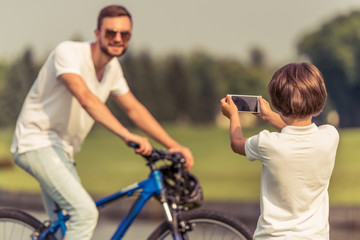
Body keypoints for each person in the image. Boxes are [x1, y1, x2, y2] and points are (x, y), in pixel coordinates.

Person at [11, 5, 194, 240]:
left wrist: (173, 144)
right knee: (85, 214)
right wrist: (128, 136)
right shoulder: (67, 53)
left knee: (68, 223)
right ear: (97, 34)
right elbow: (87, 99)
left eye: (124, 34)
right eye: (110, 33)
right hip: (35, 142)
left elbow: (134, 109)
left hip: (63, 152)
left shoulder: (112, 69)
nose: (117, 39)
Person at [220, 62, 339, 239]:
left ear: (278, 103)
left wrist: (233, 116)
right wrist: (269, 117)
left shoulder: (267, 143)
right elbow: (299, 133)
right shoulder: (330, 137)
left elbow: (236, 143)